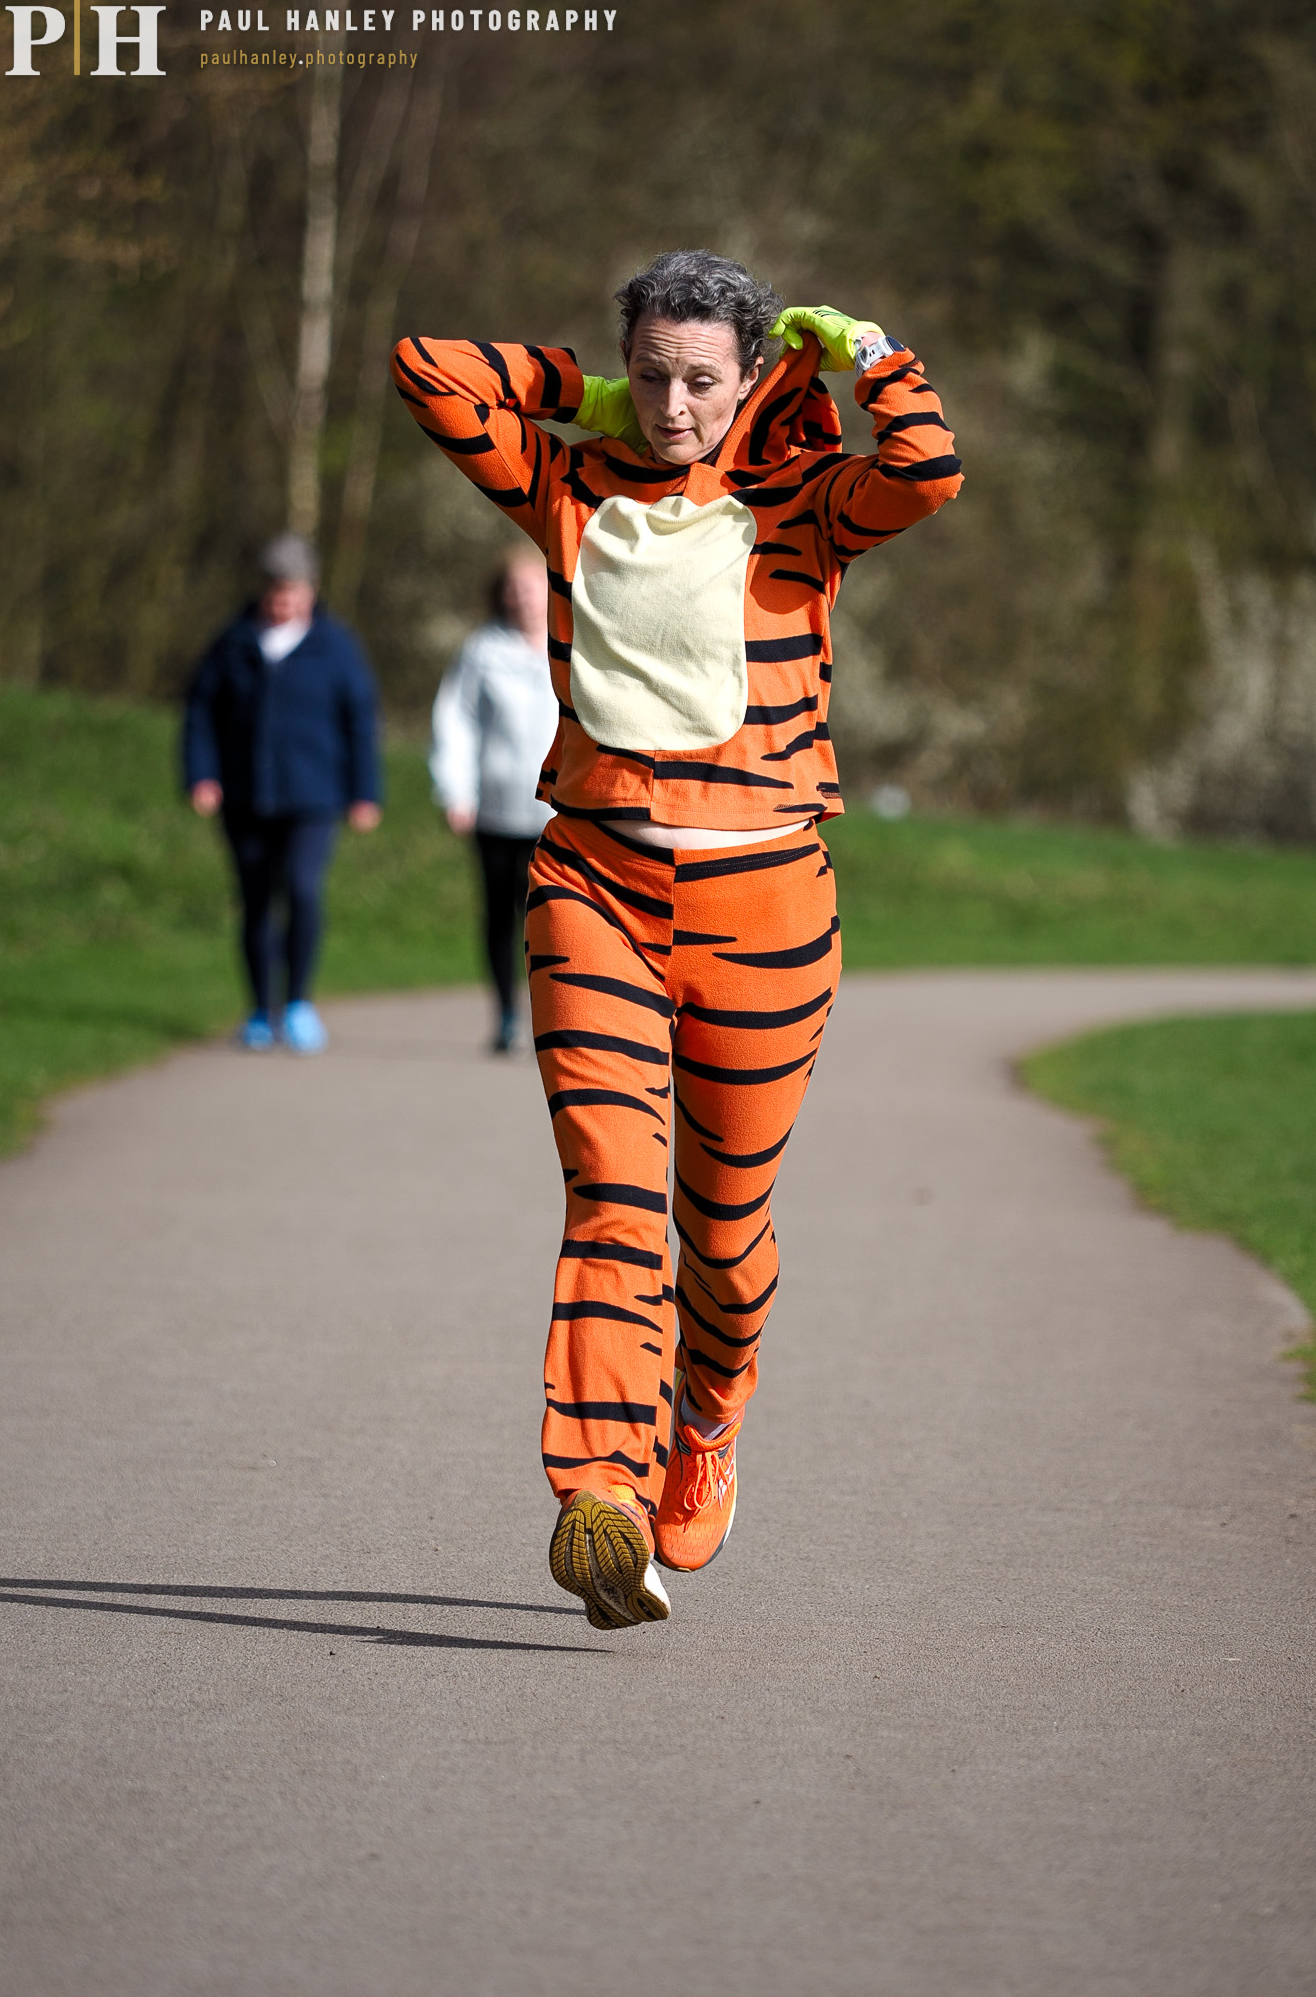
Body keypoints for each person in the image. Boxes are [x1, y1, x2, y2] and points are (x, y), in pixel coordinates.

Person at [393, 252, 960, 1629]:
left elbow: (928, 469)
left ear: (752, 375)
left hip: (766, 908)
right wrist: (576, 392)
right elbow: (429, 368)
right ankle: (600, 1490)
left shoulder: (804, 508)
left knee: (725, 1226)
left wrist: (874, 352)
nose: (670, 407)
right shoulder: (570, 483)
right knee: (611, 1191)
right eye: (647, 376)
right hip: (592, 886)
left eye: (701, 379)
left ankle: (707, 1413)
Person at [182, 533, 383, 1054]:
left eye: (292, 592)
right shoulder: (232, 643)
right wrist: (201, 775)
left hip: (315, 796)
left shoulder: (336, 646)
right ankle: (257, 1008)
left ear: (311, 591)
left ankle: (297, 1003)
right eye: (275, 592)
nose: (282, 602)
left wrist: (365, 792)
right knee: (254, 900)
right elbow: (201, 713)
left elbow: (359, 722)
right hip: (247, 796)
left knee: (302, 889)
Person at [429, 545, 558, 1052]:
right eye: (513, 588)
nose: (521, 597)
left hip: (557, 814)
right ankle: (506, 1016)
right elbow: (454, 721)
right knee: (499, 917)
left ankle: (554, 1017)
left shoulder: (573, 641)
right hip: (495, 810)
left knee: (551, 920)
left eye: (530, 587)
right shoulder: (481, 650)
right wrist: (454, 790)